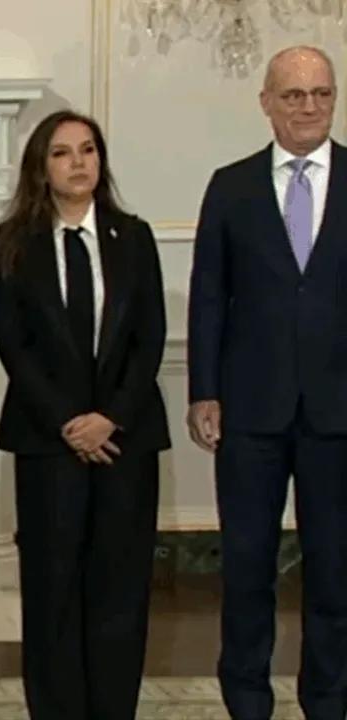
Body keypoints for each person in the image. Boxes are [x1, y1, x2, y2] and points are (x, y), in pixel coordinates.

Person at [0, 109, 170, 720]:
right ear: (41, 168)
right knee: (53, 592)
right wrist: (70, 421)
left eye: (88, 150)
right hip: (48, 442)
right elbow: (13, 343)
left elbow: (149, 337)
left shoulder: (133, 237)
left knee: (120, 589)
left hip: (126, 441)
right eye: (62, 153)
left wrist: (108, 418)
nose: (78, 163)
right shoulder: (14, 242)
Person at [188, 45, 347, 720]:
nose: (309, 106)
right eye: (294, 95)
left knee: (335, 572)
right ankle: (247, 700)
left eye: (321, 93)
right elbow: (208, 294)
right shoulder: (232, 186)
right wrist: (203, 390)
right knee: (246, 567)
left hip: (339, 412)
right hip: (250, 411)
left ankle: (329, 700)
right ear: (266, 103)